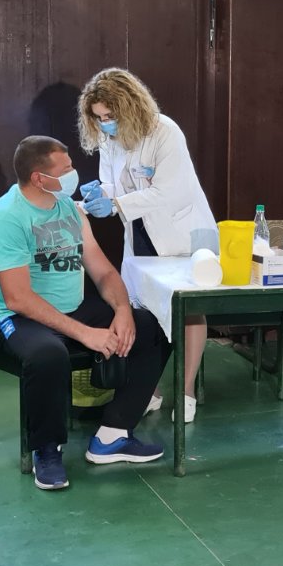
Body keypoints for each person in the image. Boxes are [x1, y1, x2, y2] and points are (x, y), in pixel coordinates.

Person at [0, 135, 171, 491]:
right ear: (39, 178)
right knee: (48, 353)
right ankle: (47, 450)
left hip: (69, 308)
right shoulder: (5, 219)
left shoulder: (68, 209)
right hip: (9, 318)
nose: (73, 174)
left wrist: (123, 309)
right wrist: (85, 334)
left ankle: (112, 435)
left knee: (151, 327)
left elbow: (102, 271)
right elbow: (18, 299)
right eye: (65, 170)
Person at [77, 68, 216, 425]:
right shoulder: (109, 138)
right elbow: (114, 184)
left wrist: (116, 204)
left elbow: (169, 191)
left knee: (188, 308)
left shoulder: (165, 132)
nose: (105, 124)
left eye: (110, 116)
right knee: (146, 311)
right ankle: (149, 389)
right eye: (99, 118)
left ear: (130, 106)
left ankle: (186, 389)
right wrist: (99, 194)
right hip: (140, 232)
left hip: (182, 232)